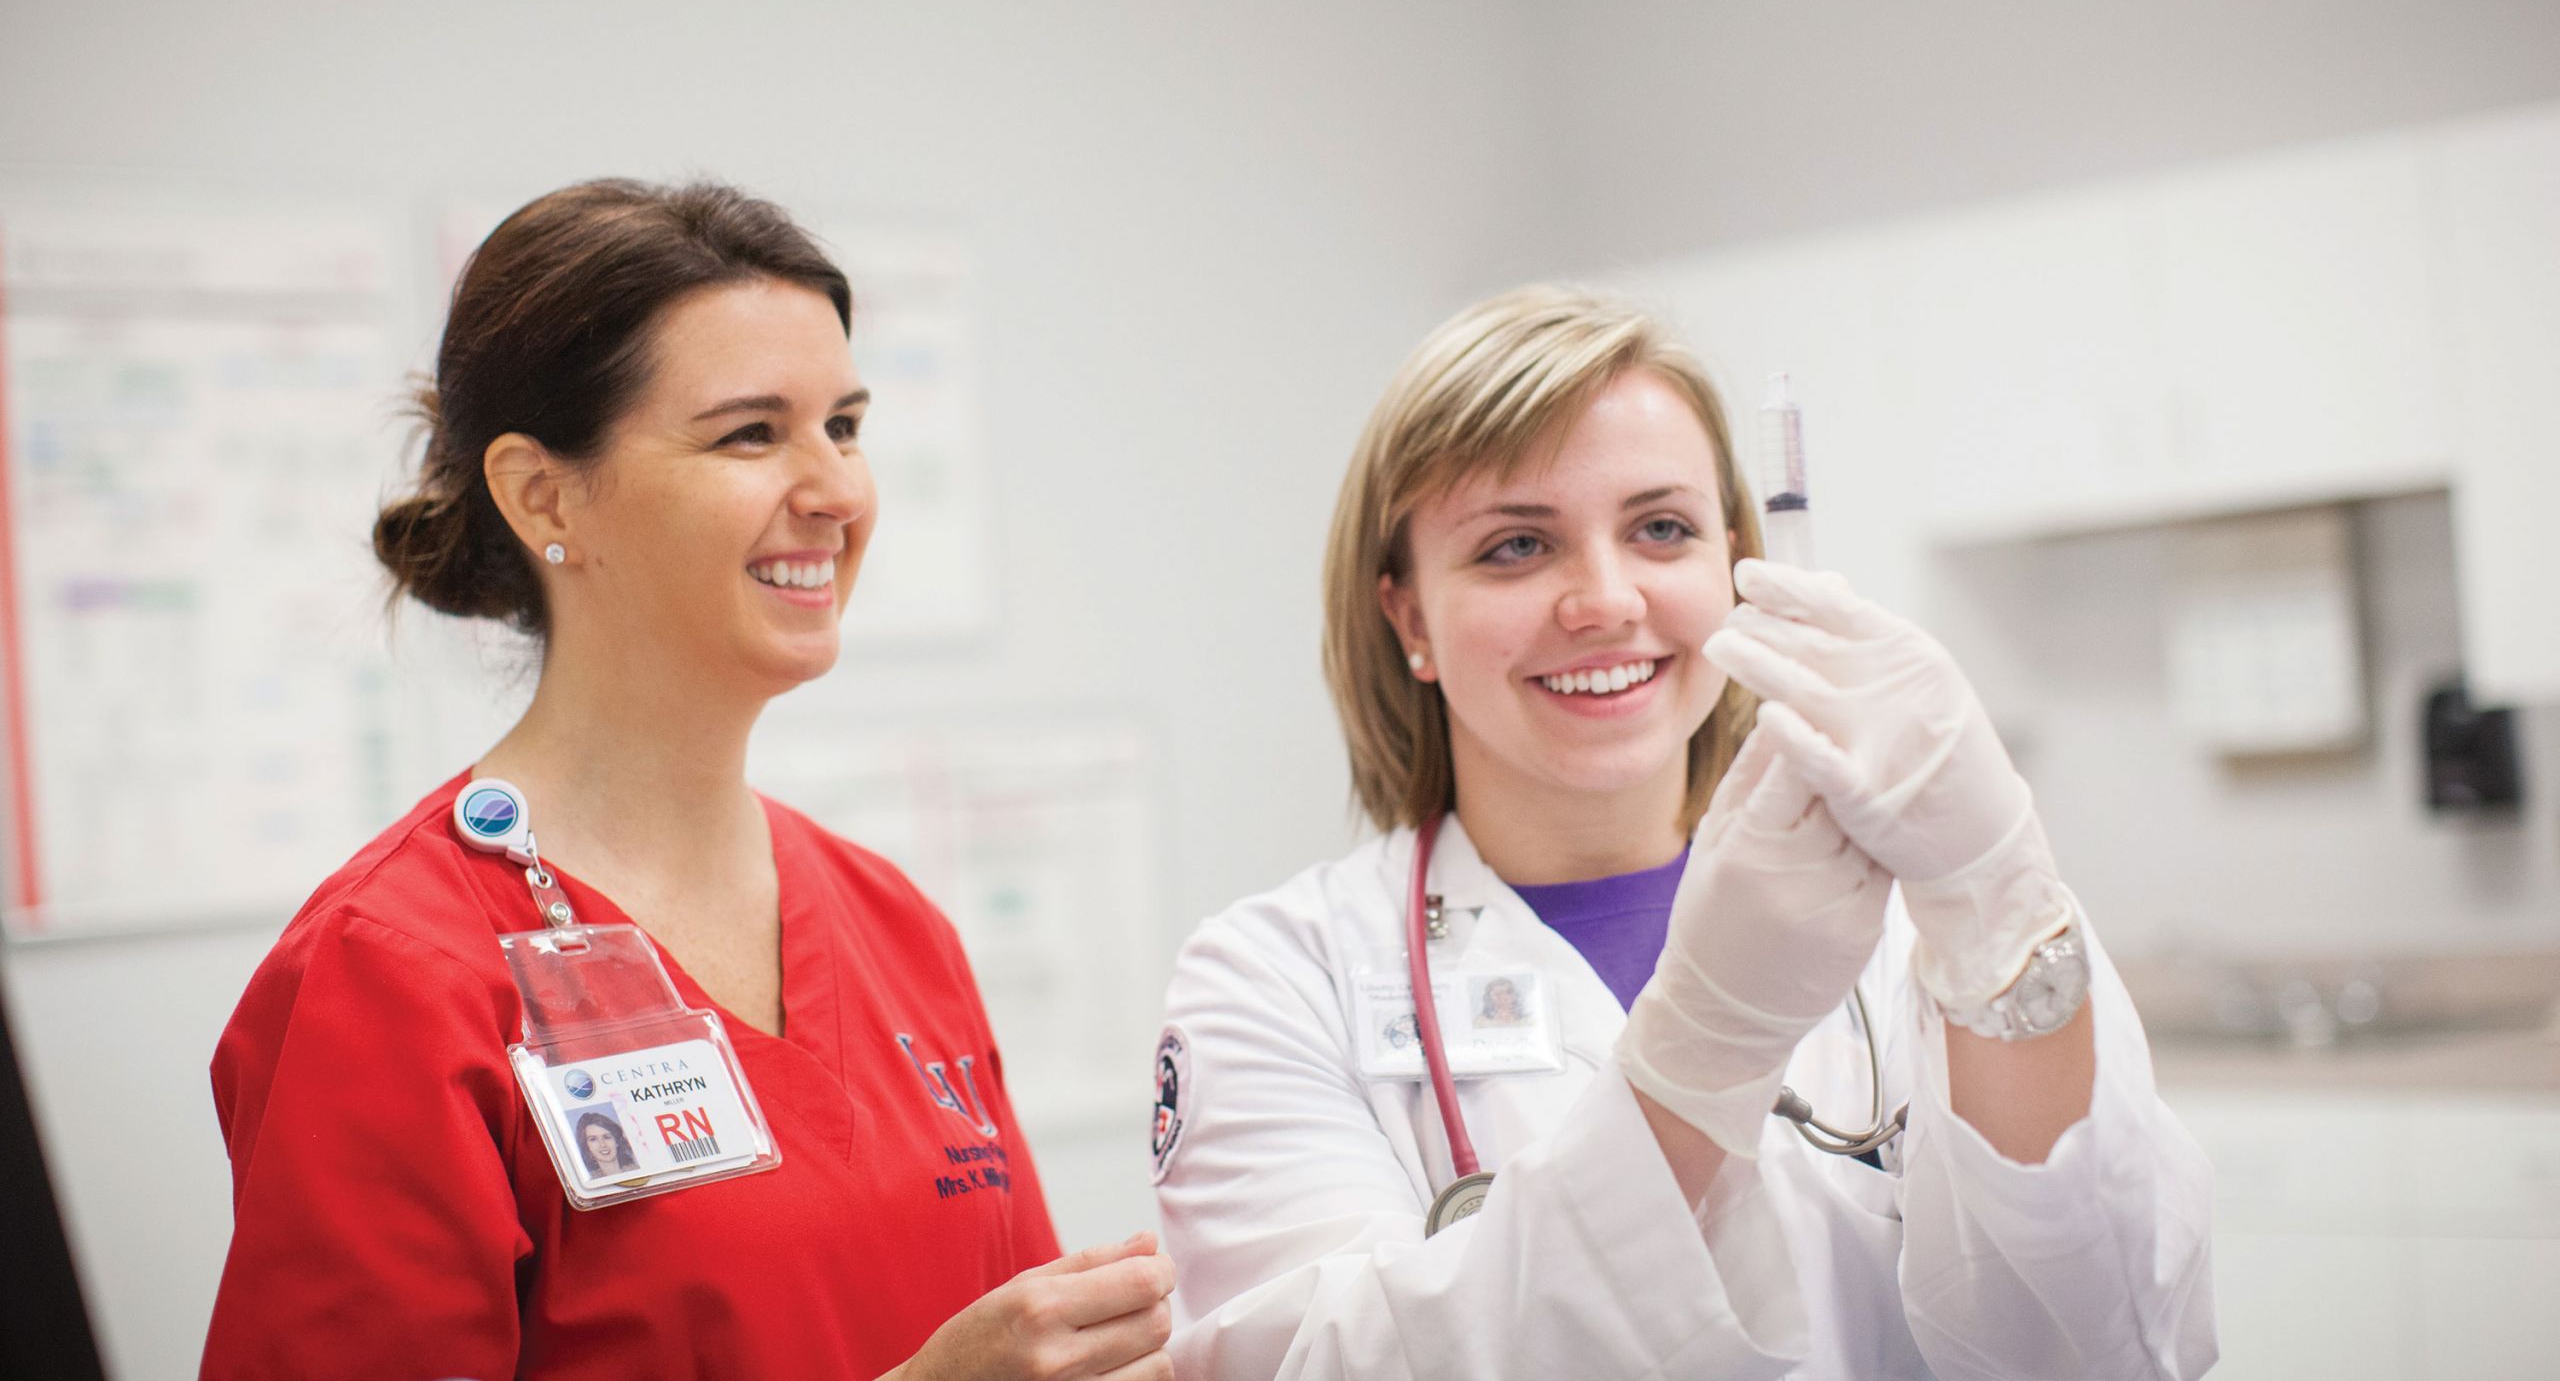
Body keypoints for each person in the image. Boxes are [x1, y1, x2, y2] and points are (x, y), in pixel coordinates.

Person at [203, 179, 1175, 1381]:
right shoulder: (392, 975)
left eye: (847, 426)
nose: (837, 493)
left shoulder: (890, 925)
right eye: (750, 434)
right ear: (543, 495)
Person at [1149, 287, 2215, 1379]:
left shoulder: (1920, 914)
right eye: (1516, 546)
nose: (1605, 601)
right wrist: (1706, 1042)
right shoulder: (1276, 979)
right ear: (1411, 617)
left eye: (1661, 528)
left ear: (1738, 562)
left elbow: (2120, 1345)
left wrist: (1997, 897)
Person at [575, 1112, 640, 1178]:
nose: (602, 1144)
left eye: (607, 1137)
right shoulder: (589, 1179)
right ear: (586, 1146)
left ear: (616, 1141)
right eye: (593, 1139)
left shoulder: (638, 1170)